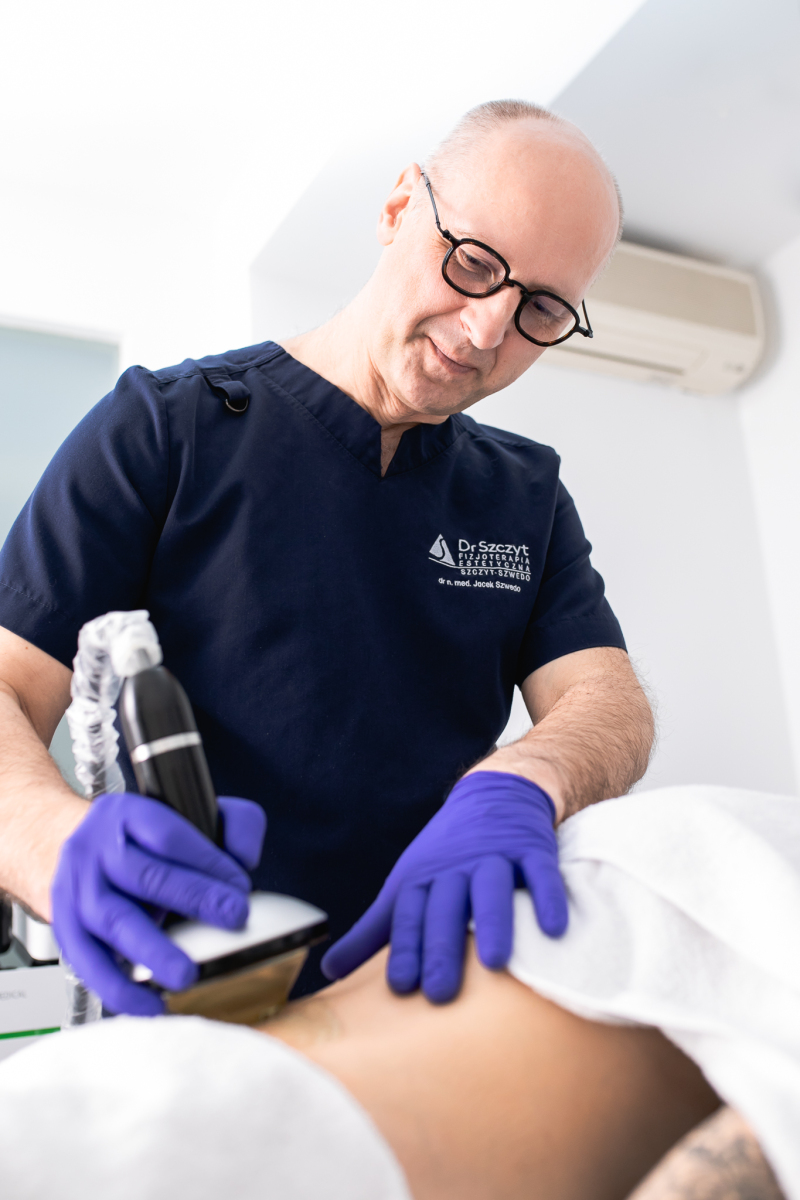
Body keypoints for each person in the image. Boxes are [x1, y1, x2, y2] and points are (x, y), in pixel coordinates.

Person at [0, 98, 653, 1014]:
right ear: (399, 207)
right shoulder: (165, 429)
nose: (486, 331)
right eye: (473, 263)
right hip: (196, 983)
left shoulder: (525, 494)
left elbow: (606, 701)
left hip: (427, 990)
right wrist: (52, 841)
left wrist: (525, 779)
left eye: (540, 306)